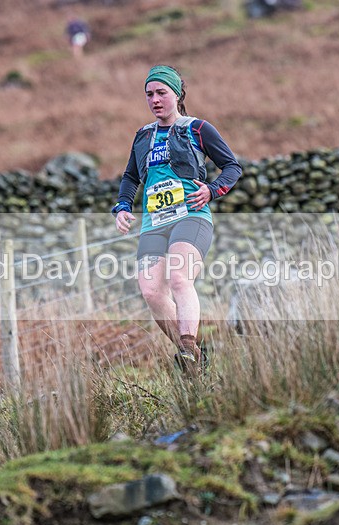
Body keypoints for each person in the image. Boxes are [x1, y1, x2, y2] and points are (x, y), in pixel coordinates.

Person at [112, 65, 242, 376]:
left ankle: (187, 345)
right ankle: (193, 354)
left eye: (161, 93)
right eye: (149, 94)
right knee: (151, 292)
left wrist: (211, 190)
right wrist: (122, 205)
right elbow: (131, 176)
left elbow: (232, 167)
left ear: (177, 94)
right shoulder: (143, 136)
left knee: (180, 278)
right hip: (155, 221)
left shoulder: (198, 129)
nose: (155, 100)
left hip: (191, 216)